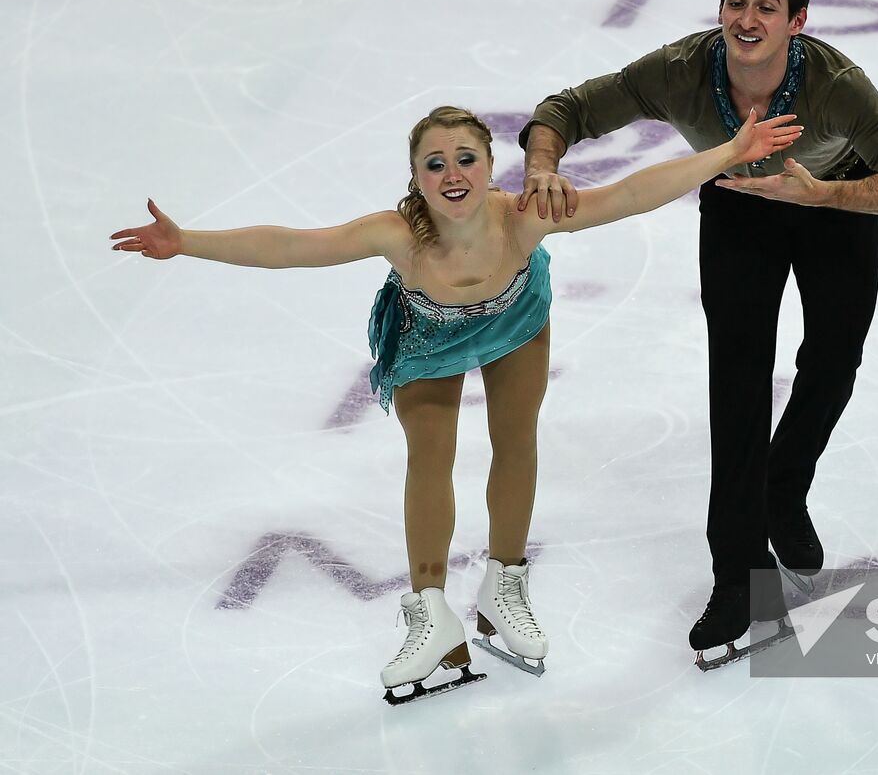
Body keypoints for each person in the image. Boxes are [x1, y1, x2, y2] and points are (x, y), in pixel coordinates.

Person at [109, 104, 802, 701]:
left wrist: (727, 153)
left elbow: (628, 194)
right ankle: (431, 614)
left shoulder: (522, 218)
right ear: (415, 177)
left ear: (491, 164)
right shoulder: (398, 235)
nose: (452, 174)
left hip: (515, 319)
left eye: (465, 158)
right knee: (429, 452)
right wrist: (186, 242)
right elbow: (294, 246)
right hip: (426, 334)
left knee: (516, 438)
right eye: (434, 164)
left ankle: (504, 586)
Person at [516, 0, 878, 661]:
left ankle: (784, 485)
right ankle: (739, 574)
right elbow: (568, 108)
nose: (747, 18)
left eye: (766, 6)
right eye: (736, 1)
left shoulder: (837, 85)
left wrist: (823, 195)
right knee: (738, 385)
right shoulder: (682, 70)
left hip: (830, 200)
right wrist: (540, 166)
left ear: (797, 21)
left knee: (834, 360)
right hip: (739, 208)